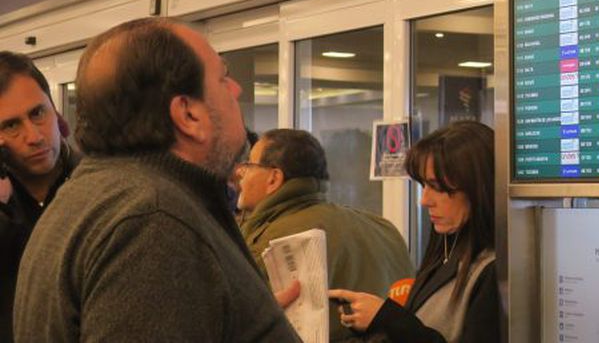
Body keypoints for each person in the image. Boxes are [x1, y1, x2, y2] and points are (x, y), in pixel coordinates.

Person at [13, 18, 301, 342]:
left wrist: (235, 316)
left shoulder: (88, 195)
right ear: (188, 115)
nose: (237, 89)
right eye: (222, 78)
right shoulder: (152, 222)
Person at [237, 128, 415, 341]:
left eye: (249, 165)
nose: (240, 172)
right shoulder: (383, 228)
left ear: (274, 178)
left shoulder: (268, 244)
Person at [329, 120, 499, 342]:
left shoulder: (491, 270)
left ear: (477, 187)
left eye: (437, 187)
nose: (425, 200)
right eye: (423, 186)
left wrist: (387, 318)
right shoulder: (446, 252)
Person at [0, 52, 78, 343]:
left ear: (55, 111)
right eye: (11, 125)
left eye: (37, 113)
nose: (34, 136)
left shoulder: (94, 183)